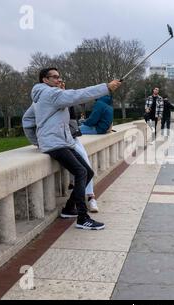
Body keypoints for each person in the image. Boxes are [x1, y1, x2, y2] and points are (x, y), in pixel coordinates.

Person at [22, 67, 121, 230]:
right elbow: (78, 95)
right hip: (55, 143)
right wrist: (106, 88)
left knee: (87, 172)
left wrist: (39, 142)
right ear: (44, 80)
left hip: (61, 142)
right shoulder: (51, 94)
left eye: (59, 77)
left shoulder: (41, 97)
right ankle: (82, 218)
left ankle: (69, 209)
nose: (58, 80)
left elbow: (27, 121)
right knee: (81, 172)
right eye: (54, 77)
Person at [58, 81, 99, 213]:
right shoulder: (47, 100)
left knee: (86, 167)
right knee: (83, 170)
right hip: (62, 140)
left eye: (62, 81)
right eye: (56, 79)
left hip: (72, 137)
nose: (61, 83)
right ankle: (85, 202)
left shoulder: (65, 99)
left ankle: (88, 197)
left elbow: (71, 120)